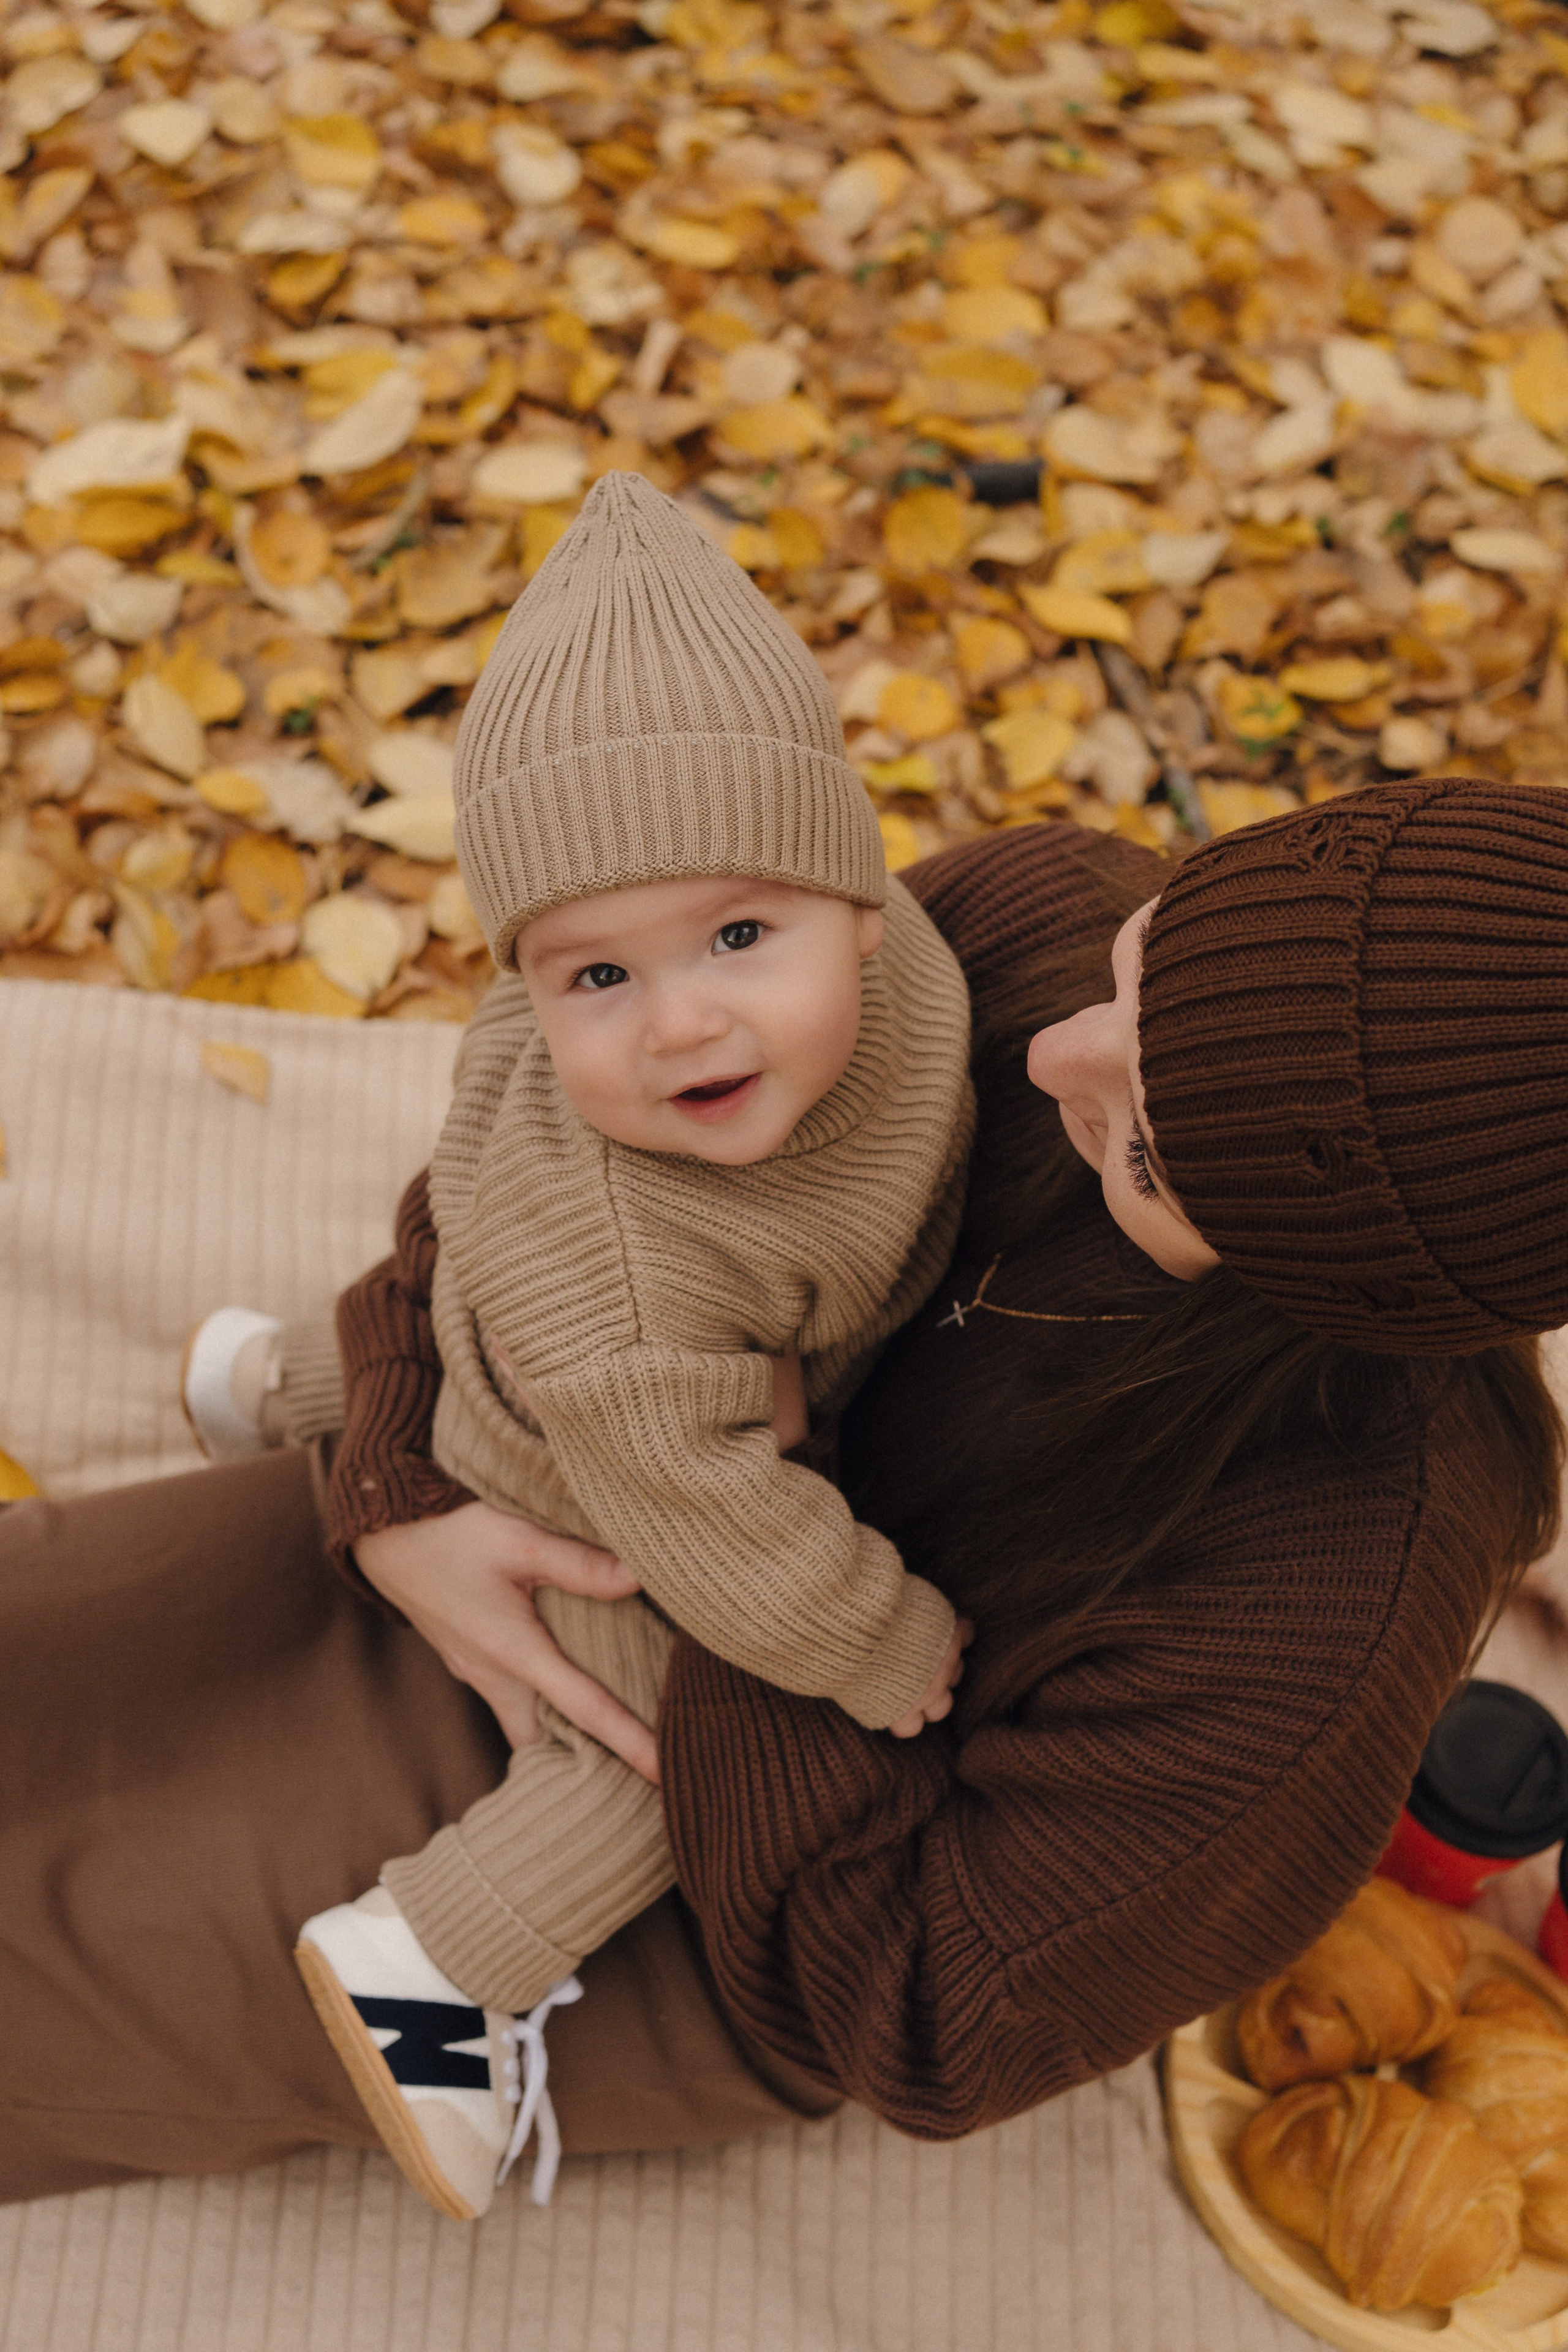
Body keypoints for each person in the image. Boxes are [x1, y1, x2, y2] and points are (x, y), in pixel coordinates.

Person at [2, 780, 1564, 2209]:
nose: (1045, 1059)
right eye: (1142, 971)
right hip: (525, 1490)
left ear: (1315, 1284)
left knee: (61, 1980)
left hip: (720, 1883)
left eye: (1145, 1150)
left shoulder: (1326, 1593)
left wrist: (735, 1527)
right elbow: (556, 1137)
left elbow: (937, 2021)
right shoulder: (1039, 924)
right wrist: (398, 1462)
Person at [236, 474, 970, 2221]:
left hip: (547, 1311)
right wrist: (886, 1644)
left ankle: (267, 1384)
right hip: (599, 1434)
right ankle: (432, 1960)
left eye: (737, 935)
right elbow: (721, 1536)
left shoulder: (928, 993)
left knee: (463, 1318)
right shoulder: (633, 1281)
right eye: (596, 979)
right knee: (656, 1741)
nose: (682, 1021)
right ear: (528, 978)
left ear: (861, 902)